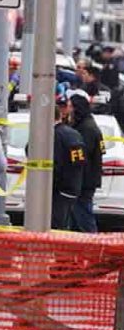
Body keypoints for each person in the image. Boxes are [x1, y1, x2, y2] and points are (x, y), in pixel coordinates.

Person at [68, 90, 104, 232]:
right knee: (77, 216)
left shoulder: (86, 129)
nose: (68, 110)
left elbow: (82, 157)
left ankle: (93, 244)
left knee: (83, 215)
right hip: (84, 179)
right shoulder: (86, 125)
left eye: (71, 106)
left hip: (84, 181)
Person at [51, 105, 87, 230]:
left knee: (55, 227)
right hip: (73, 187)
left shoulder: (54, 135)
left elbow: (55, 164)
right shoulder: (74, 133)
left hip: (59, 190)